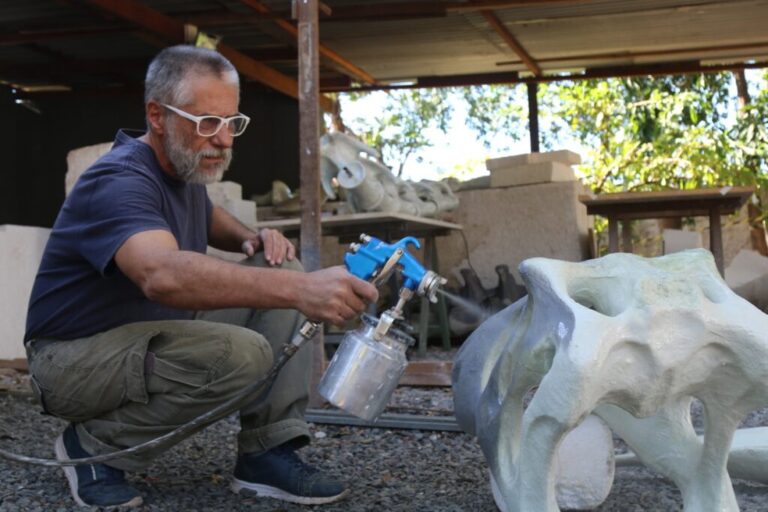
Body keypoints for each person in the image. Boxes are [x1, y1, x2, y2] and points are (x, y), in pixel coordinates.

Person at [23, 44, 378, 508]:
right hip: (70, 363)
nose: (225, 139)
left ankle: (266, 451)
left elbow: (209, 217)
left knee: (280, 266)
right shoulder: (118, 180)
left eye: (232, 122)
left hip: (137, 340)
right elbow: (161, 275)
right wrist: (302, 288)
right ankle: (92, 450)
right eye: (207, 122)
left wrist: (253, 239)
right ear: (157, 115)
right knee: (243, 350)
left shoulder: (182, 172)